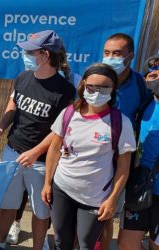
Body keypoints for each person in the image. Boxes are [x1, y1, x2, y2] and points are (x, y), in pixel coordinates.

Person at [0, 30, 75, 250]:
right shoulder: (22, 77)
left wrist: (36, 151)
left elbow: (59, 131)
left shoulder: (65, 90)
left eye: (29, 51)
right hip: (12, 153)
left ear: (45, 55)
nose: (24, 55)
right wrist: (1, 126)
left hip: (41, 162)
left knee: (41, 211)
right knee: (7, 204)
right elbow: (13, 106)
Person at [41, 63, 136, 250]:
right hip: (62, 189)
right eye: (92, 87)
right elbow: (54, 149)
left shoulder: (120, 122)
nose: (97, 92)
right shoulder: (69, 113)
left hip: (95, 197)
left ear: (113, 89)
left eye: (104, 87)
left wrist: (112, 199)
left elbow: (124, 166)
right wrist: (47, 183)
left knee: (86, 245)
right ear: (83, 85)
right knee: (61, 241)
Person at [100, 33, 149, 249]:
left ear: (130, 56)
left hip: (121, 161)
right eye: (107, 53)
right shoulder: (95, 78)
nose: (111, 58)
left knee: (107, 214)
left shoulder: (141, 84)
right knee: (85, 216)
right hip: (92, 159)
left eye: (117, 53)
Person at [118, 65, 159, 250]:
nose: (155, 77)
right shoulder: (147, 102)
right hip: (140, 185)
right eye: (153, 74)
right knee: (126, 244)